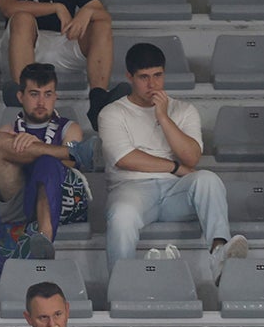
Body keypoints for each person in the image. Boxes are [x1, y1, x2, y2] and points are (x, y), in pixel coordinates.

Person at [99, 42, 247, 279]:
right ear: (130, 77)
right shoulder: (112, 113)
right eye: (144, 77)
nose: (152, 84)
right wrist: (176, 167)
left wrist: (164, 118)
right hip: (131, 189)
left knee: (208, 179)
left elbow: (192, 156)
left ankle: (219, 254)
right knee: (121, 215)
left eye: (158, 75)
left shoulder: (184, 110)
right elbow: (126, 158)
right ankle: (121, 283)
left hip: (174, 191)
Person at [0, 63, 90, 277]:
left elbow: (66, 170)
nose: (41, 102)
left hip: (60, 200)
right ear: (20, 96)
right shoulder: (8, 132)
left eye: (48, 94)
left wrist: (35, 148)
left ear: (55, 97)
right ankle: (72, 151)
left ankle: (44, 239)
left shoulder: (69, 128)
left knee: (47, 163)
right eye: (34, 94)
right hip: (18, 200)